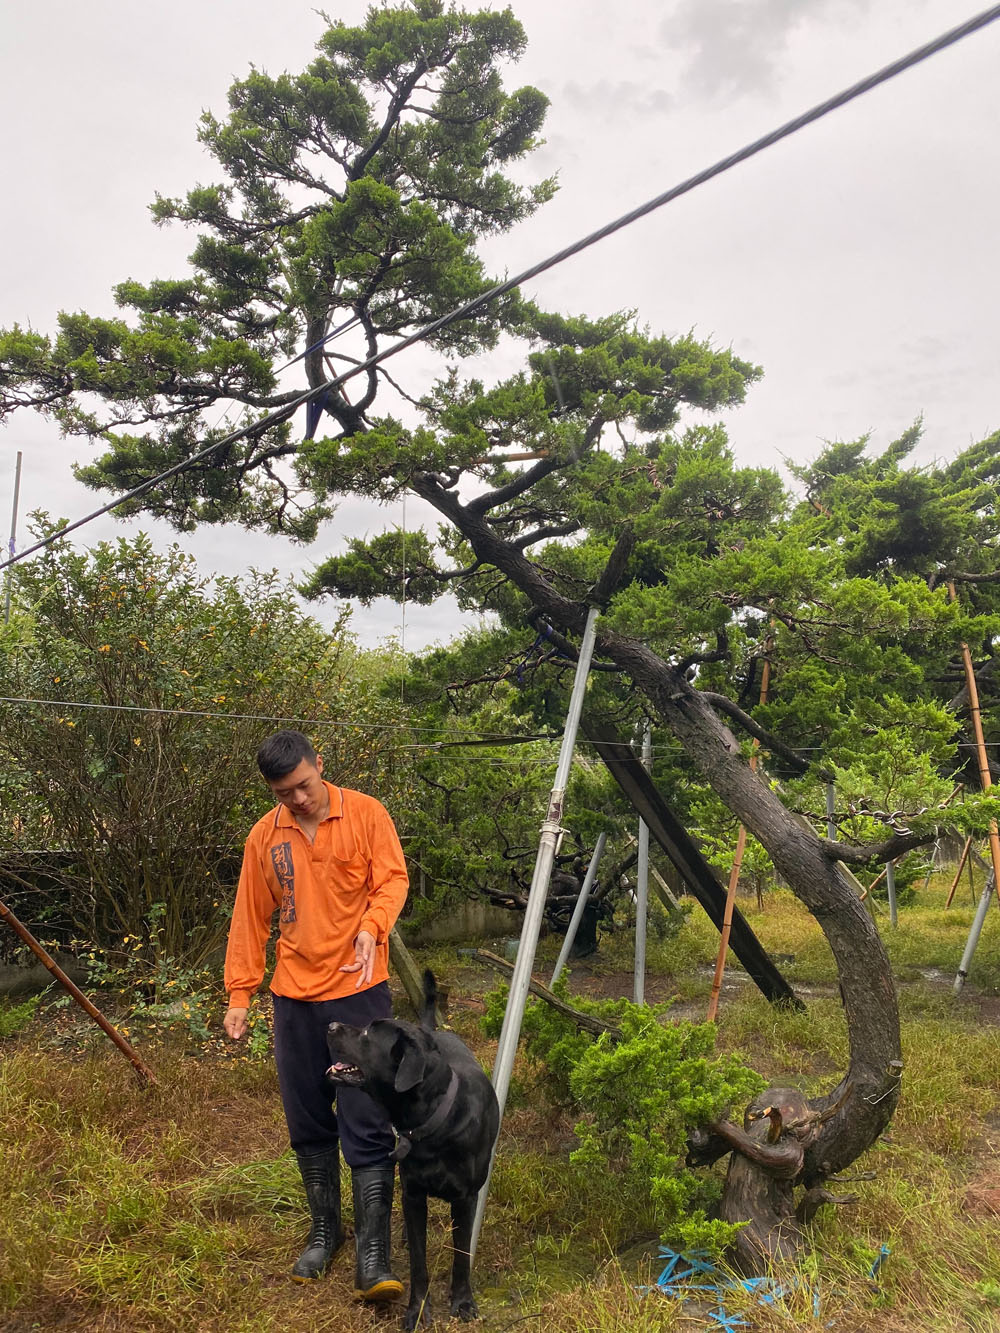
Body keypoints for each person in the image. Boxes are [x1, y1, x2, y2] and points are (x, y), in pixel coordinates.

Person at [223, 729, 409, 1299]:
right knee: (307, 1116)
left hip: (358, 990)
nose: (298, 799)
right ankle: (325, 1229)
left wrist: (372, 928)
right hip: (294, 997)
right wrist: (239, 995)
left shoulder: (366, 814)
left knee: (367, 1116)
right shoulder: (265, 836)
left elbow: (393, 879)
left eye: (304, 785)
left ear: (319, 766)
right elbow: (250, 916)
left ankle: (374, 1254)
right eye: (285, 793)